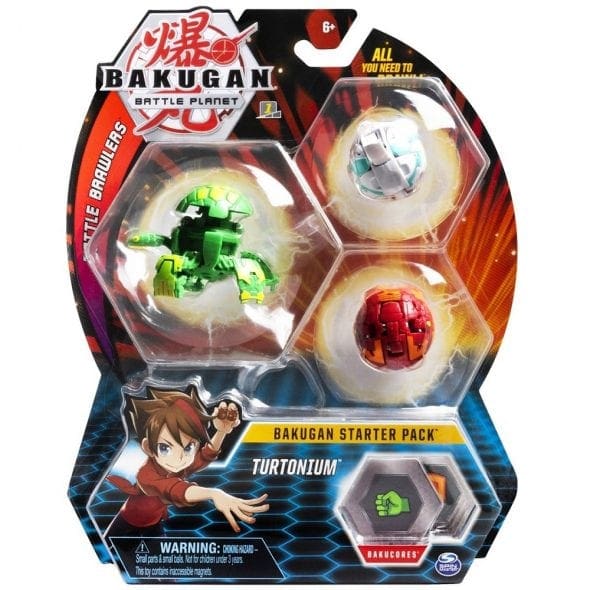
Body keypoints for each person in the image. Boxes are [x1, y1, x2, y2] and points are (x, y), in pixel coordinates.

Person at [105, 386, 268, 538]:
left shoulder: (176, 466)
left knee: (159, 555)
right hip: (127, 522)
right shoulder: (146, 475)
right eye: (165, 448)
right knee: (110, 550)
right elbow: (176, 490)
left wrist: (221, 432)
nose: (180, 458)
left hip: (154, 523)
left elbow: (203, 457)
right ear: (148, 447)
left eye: (189, 447)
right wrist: (213, 493)